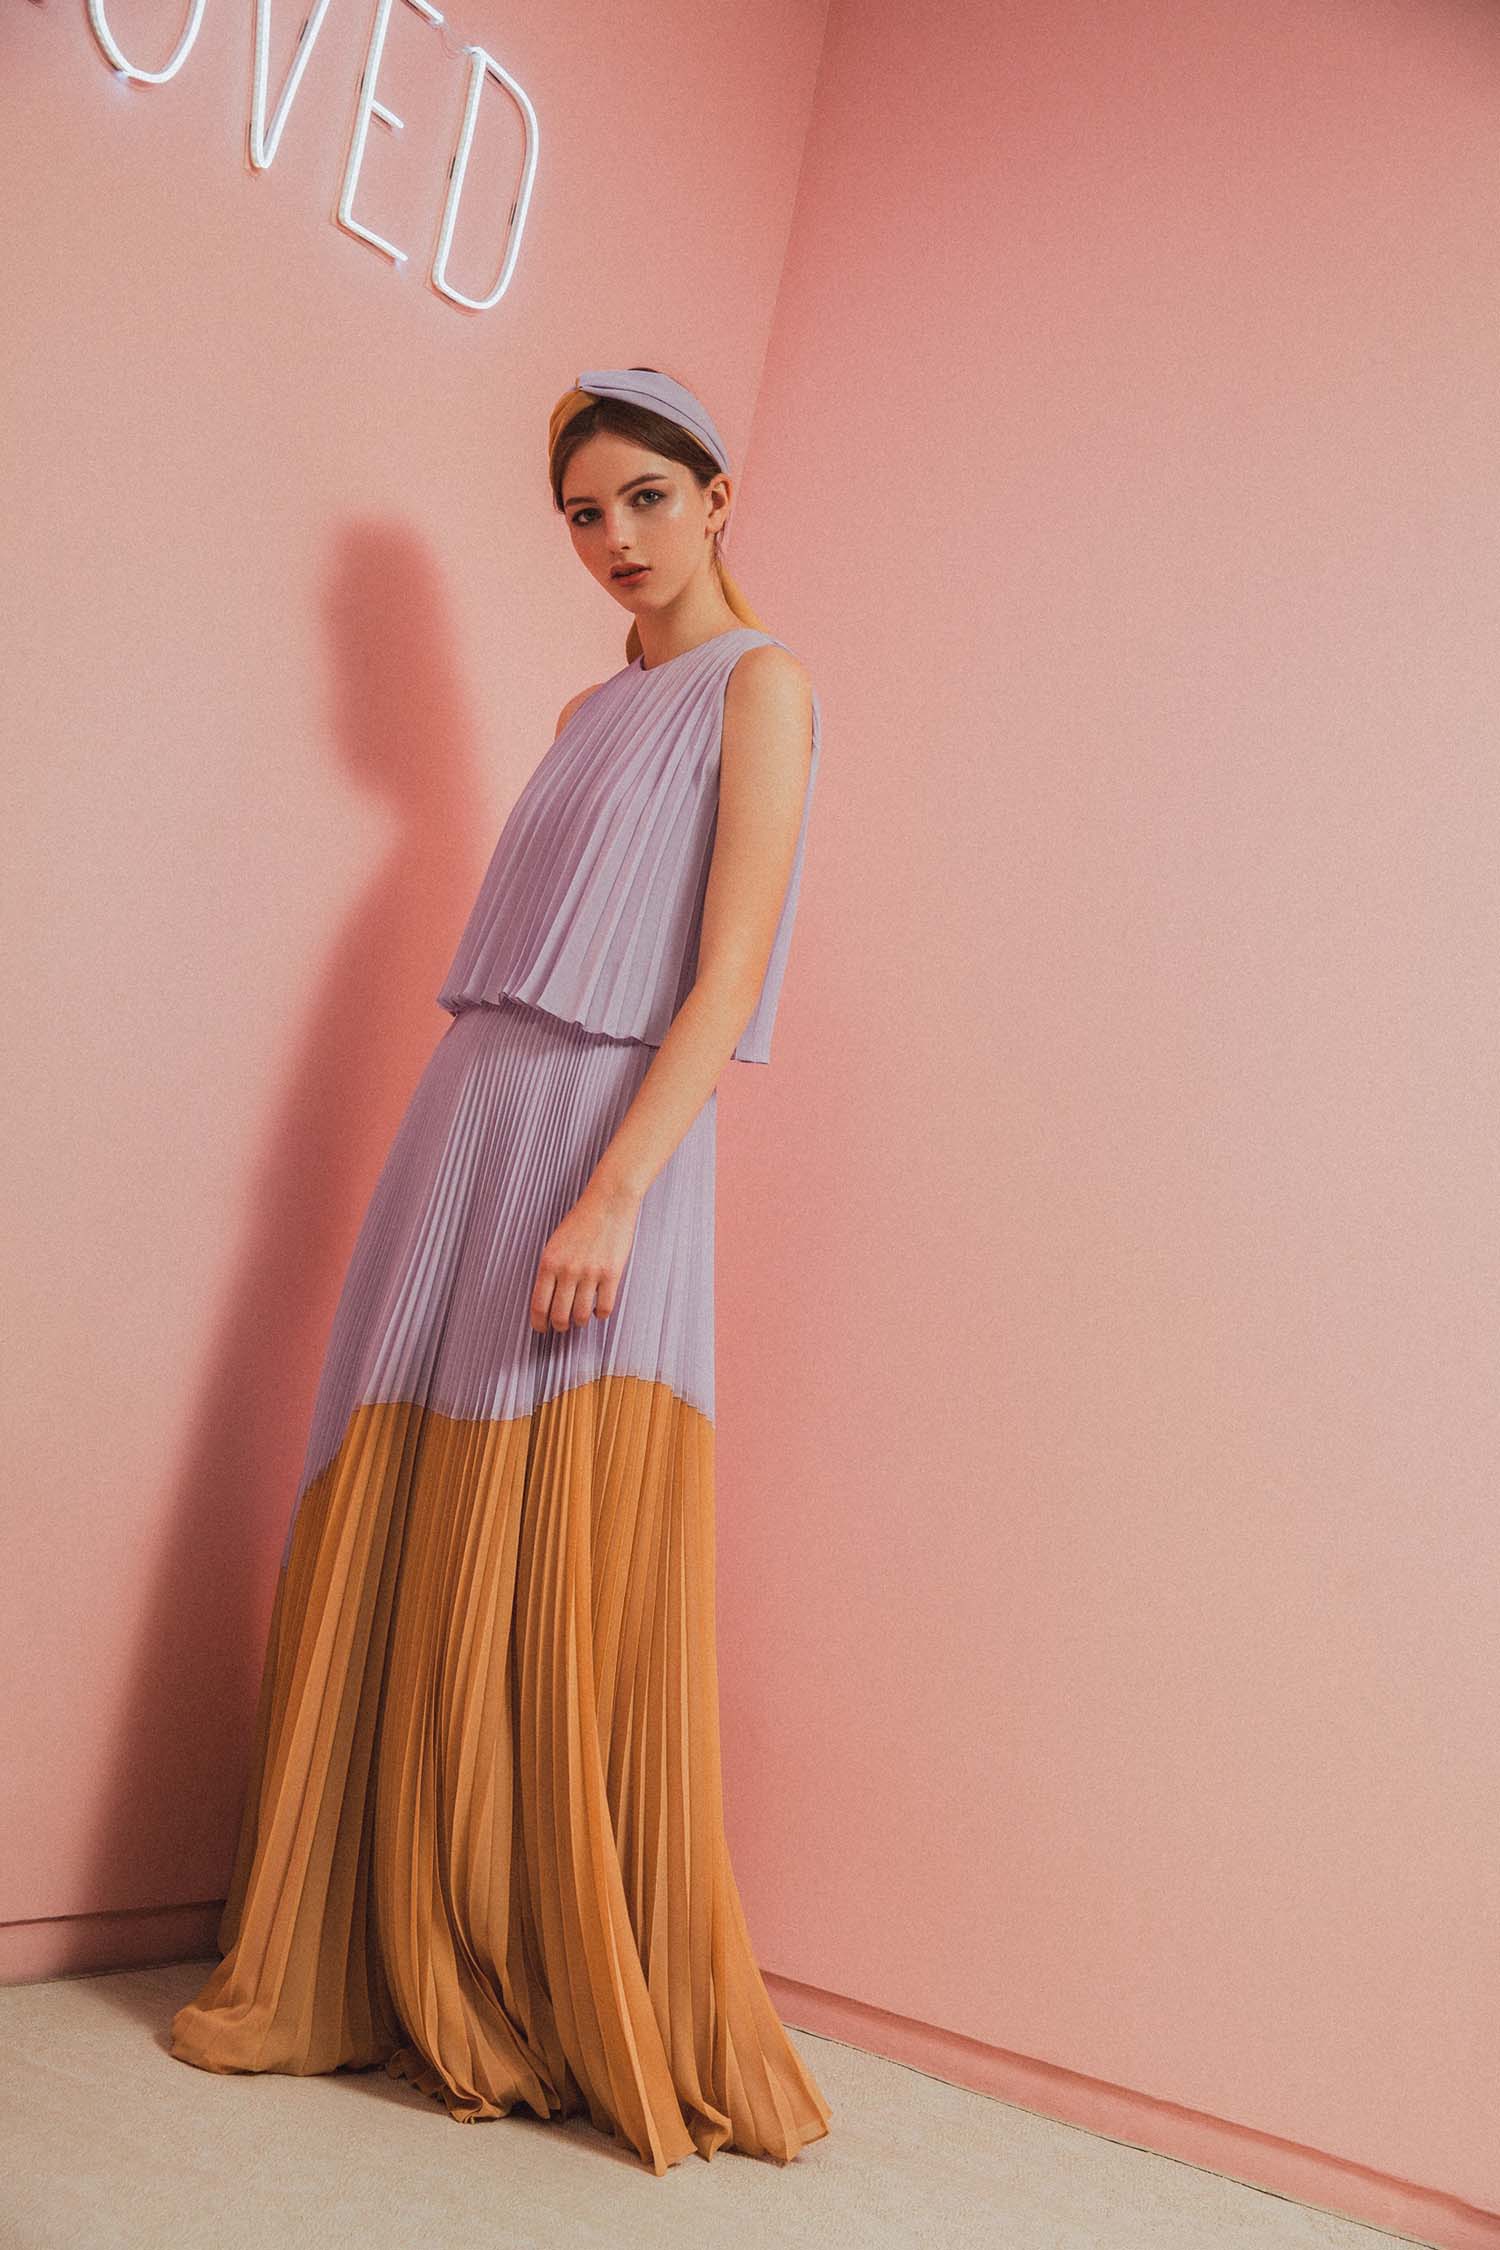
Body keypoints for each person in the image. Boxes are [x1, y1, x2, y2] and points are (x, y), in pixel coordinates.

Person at [167, 366, 831, 2174]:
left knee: (551, 1525)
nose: (614, 538)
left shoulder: (762, 688)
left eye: (645, 499)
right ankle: (386, 1925)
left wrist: (614, 1194)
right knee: (407, 1490)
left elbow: (724, 971)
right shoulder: (579, 707)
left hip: (607, 1136)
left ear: (715, 495)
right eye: (584, 515)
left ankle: (529, 1947)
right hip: (467, 1116)